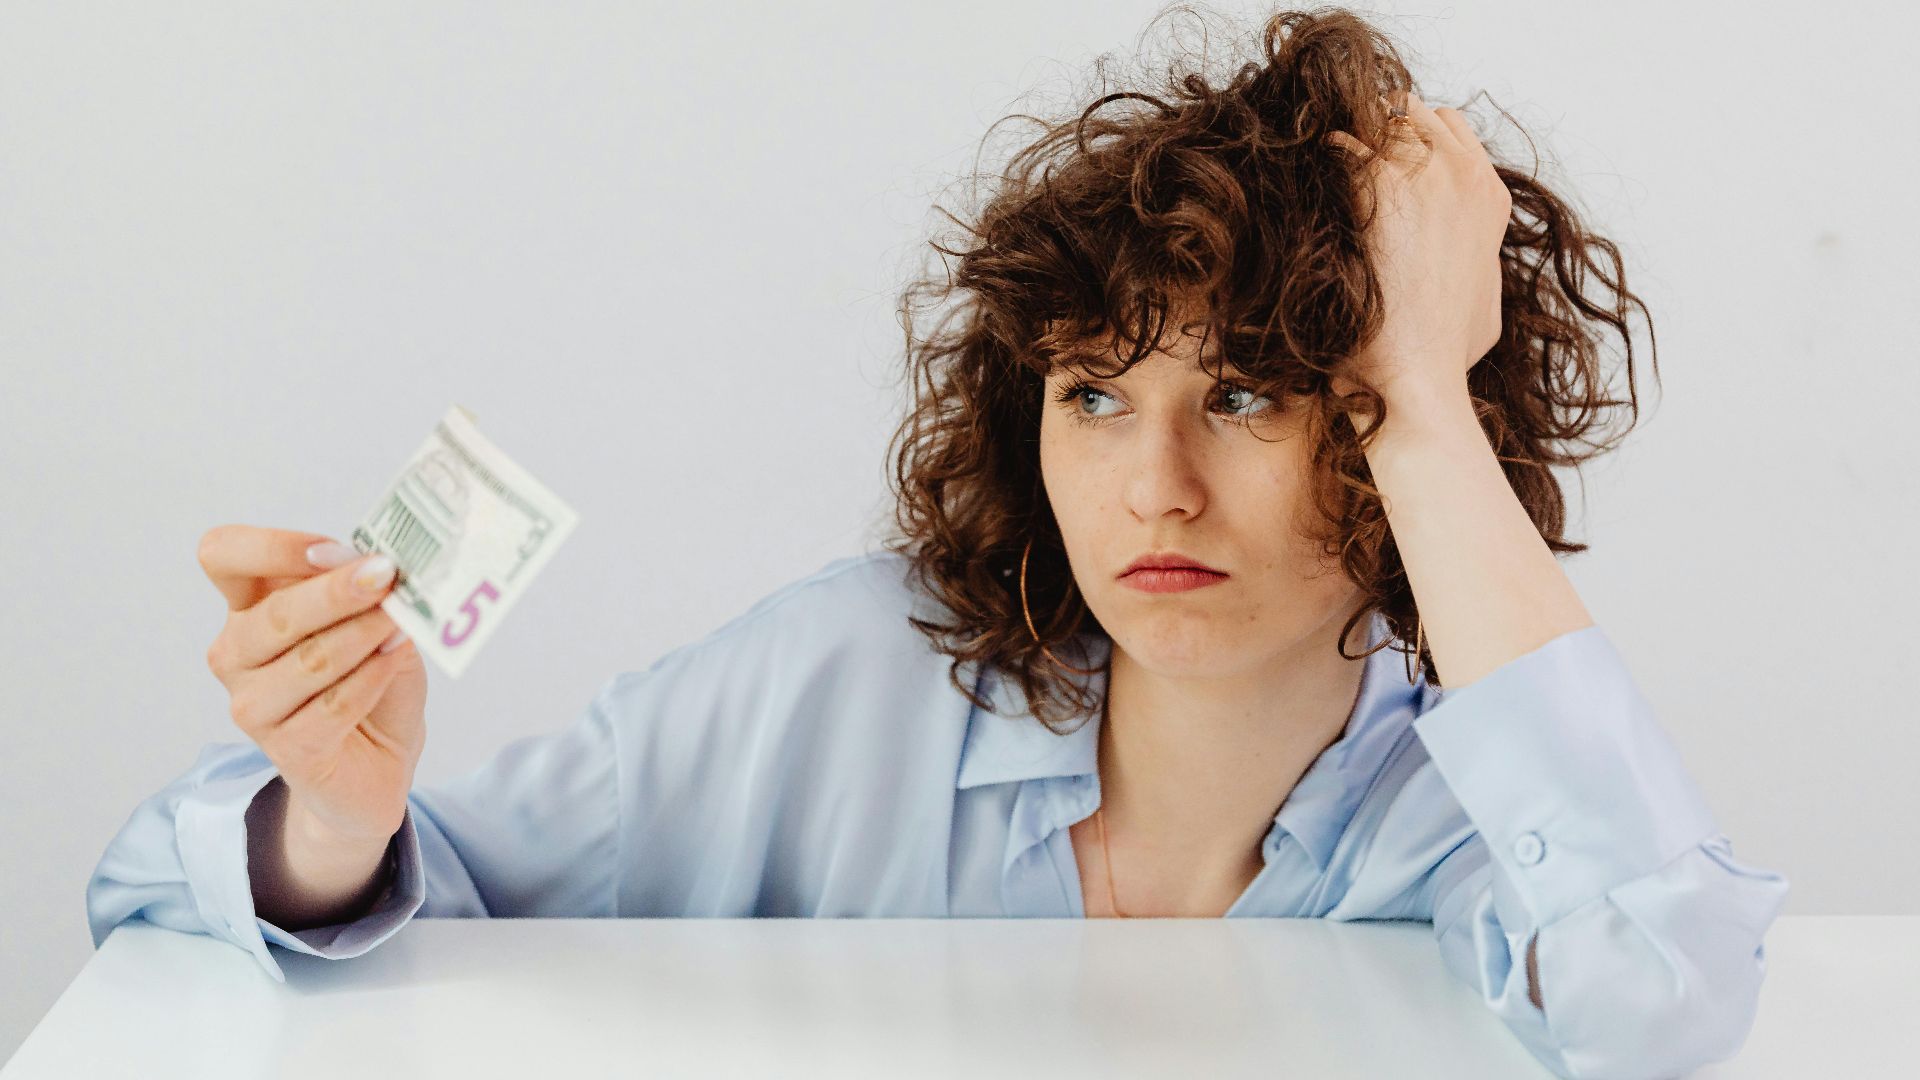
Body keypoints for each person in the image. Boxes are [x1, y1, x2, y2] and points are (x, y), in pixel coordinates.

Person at [86, 7, 1788, 1077]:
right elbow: (169, 903)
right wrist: (332, 817)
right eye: (1096, 400)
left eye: (1255, 398)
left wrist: (1419, 374)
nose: (1155, 490)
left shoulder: (1464, 820)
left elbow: (1666, 1002)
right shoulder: (841, 684)